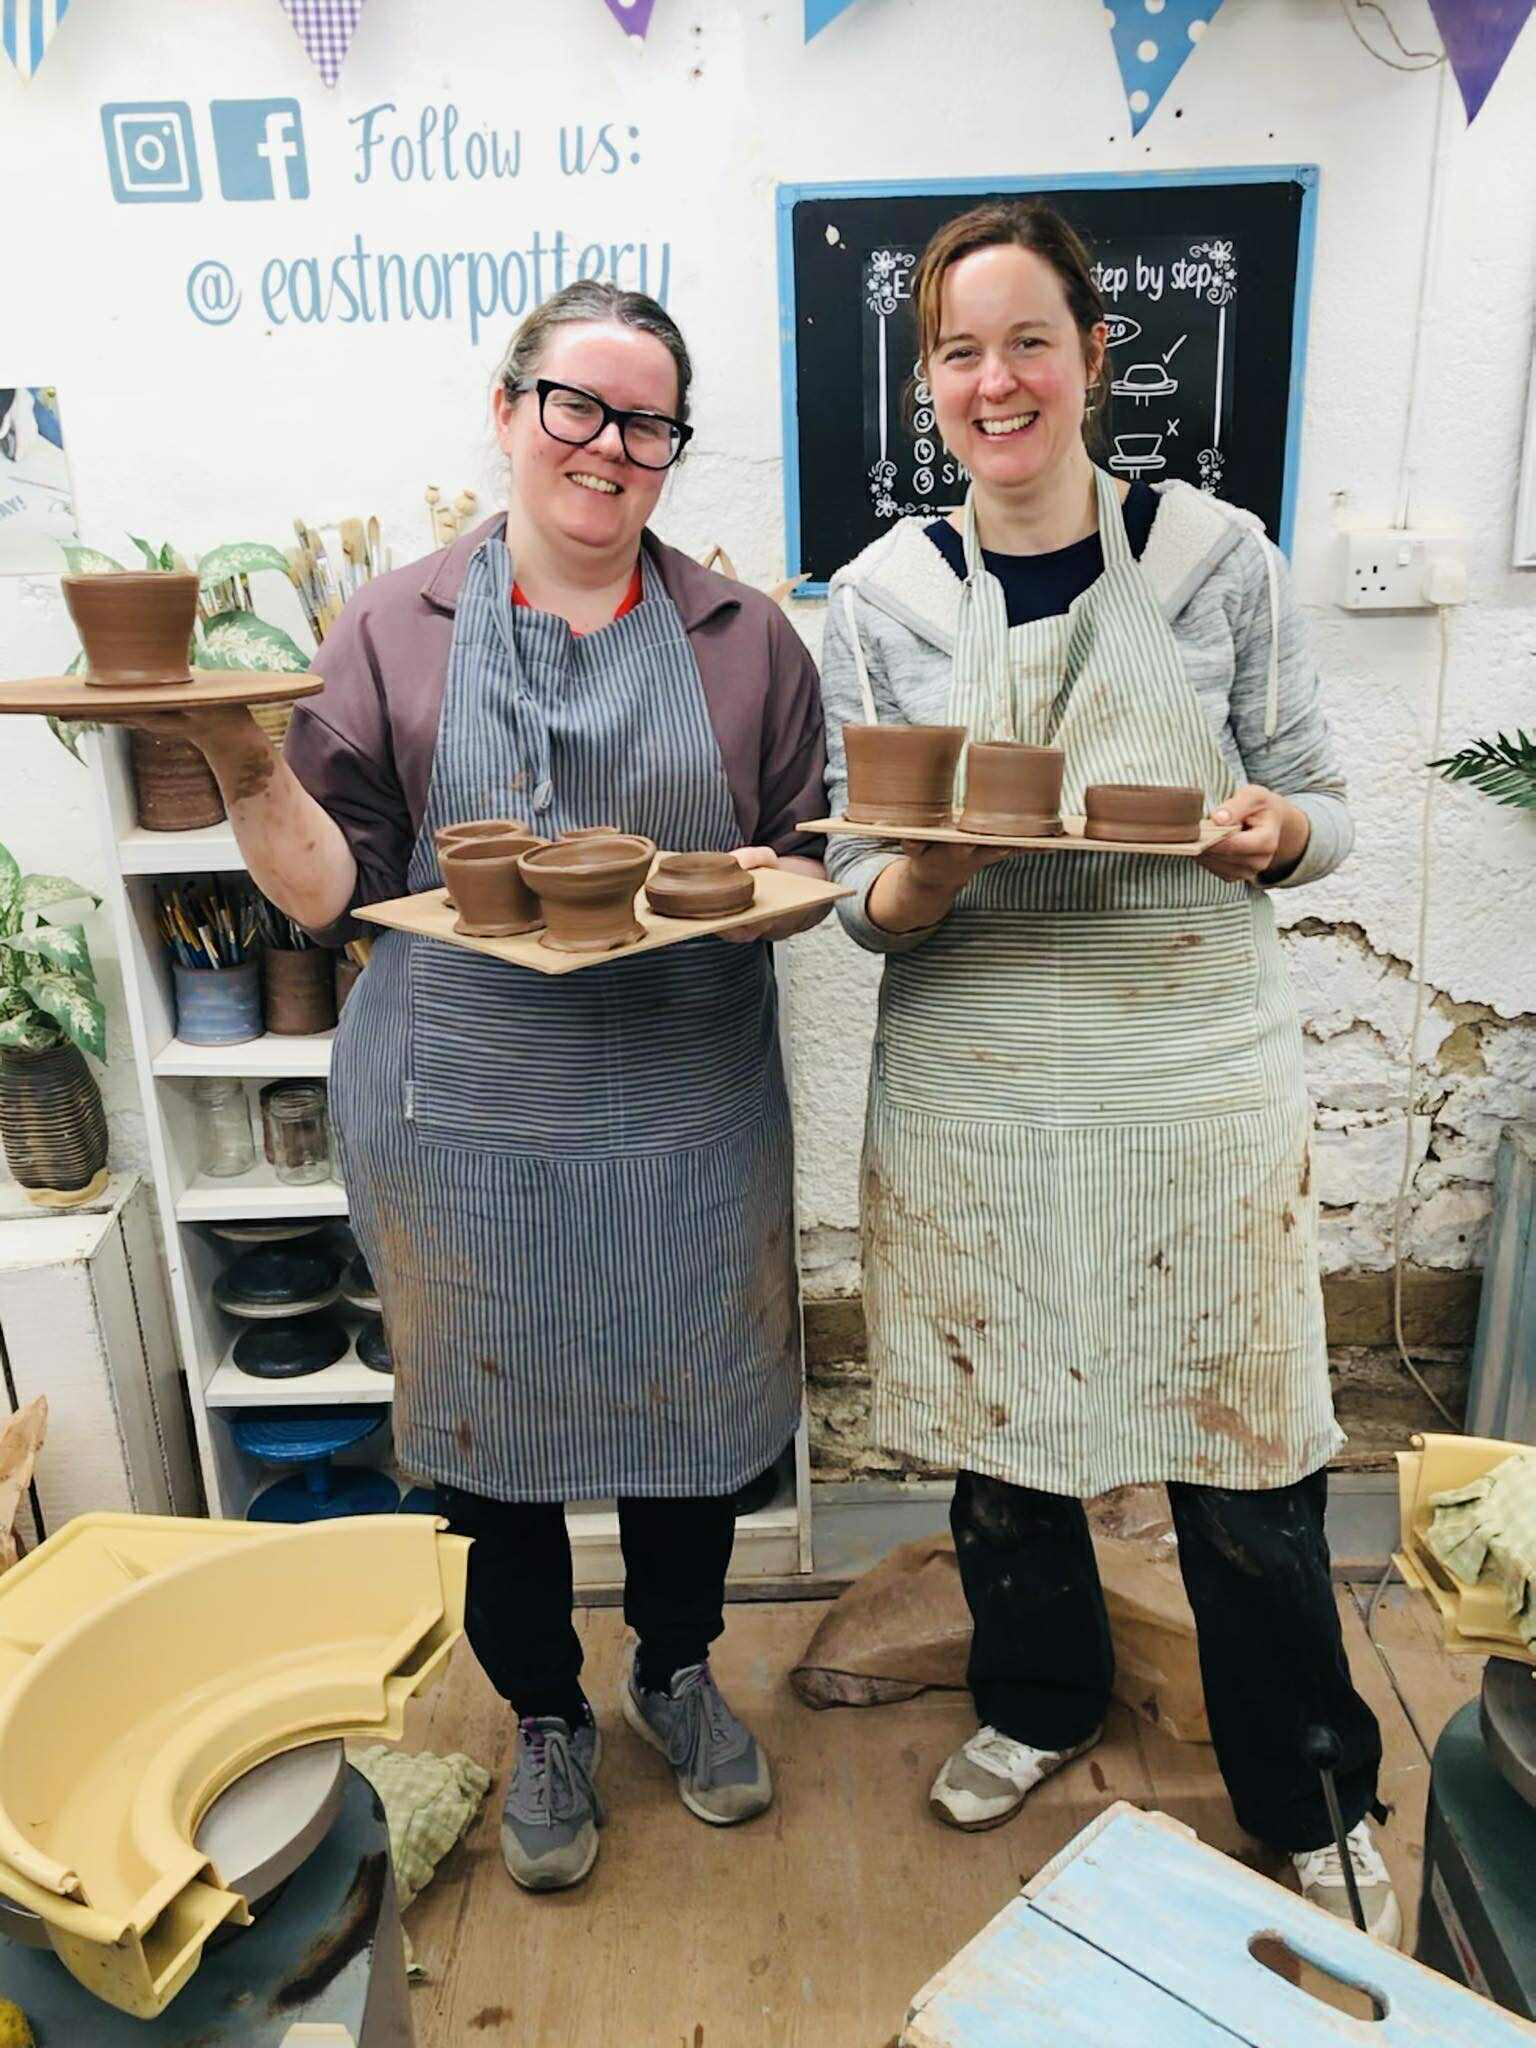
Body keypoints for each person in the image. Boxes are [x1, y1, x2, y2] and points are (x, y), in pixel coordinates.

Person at [129, 281, 829, 1894]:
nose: (609, 447)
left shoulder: (742, 637)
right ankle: (543, 1715)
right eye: (577, 407)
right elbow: (323, 895)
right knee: (487, 1436)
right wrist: (245, 765)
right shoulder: (387, 626)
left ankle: (671, 1672)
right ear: (509, 412)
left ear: (671, 454)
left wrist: (757, 876)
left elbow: (807, 850)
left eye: (647, 423)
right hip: (464, 1109)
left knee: (690, 1424)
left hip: (681, 1104)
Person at [817, 202, 1397, 1942]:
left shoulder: (1217, 556)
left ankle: (1307, 1778)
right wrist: (920, 880)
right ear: (929, 385)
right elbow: (862, 892)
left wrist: (1277, 829)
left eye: (1028, 344)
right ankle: (1040, 1701)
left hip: (1187, 1062)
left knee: (1247, 1443)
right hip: (982, 1069)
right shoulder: (883, 595)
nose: (996, 382)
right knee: (1008, 1431)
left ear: (1092, 358)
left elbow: (1326, 801)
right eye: (959, 353)